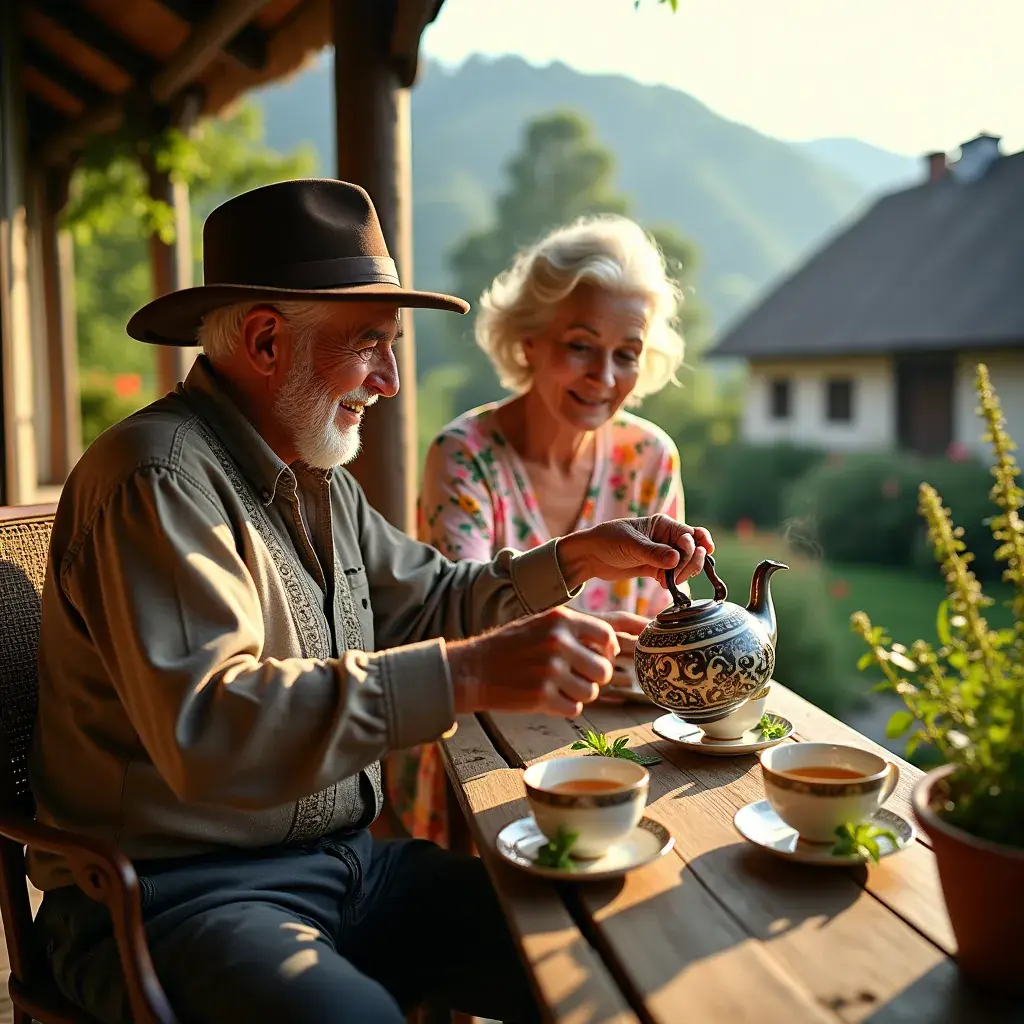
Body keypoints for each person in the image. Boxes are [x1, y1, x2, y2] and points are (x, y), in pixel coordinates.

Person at [28, 180, 714, 1024]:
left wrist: (574, 556)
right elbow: (208, 728)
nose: (390, 380)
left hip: (345, 866)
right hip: (173, 899)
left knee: (618, 939)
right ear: (266, 339)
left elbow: (433, 600)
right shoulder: (158, 479)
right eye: (371, 344)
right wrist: (464, 676)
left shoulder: (320, 483)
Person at [389, 214, 689, 846]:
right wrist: (599, 645)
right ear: (529, 341)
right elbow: (461, 624)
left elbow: (666, 629)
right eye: (580, 345)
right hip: (481, 757)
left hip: (616, 756)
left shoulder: (650, 457)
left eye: (626, 354)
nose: (604, 378)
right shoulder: (464, 454)